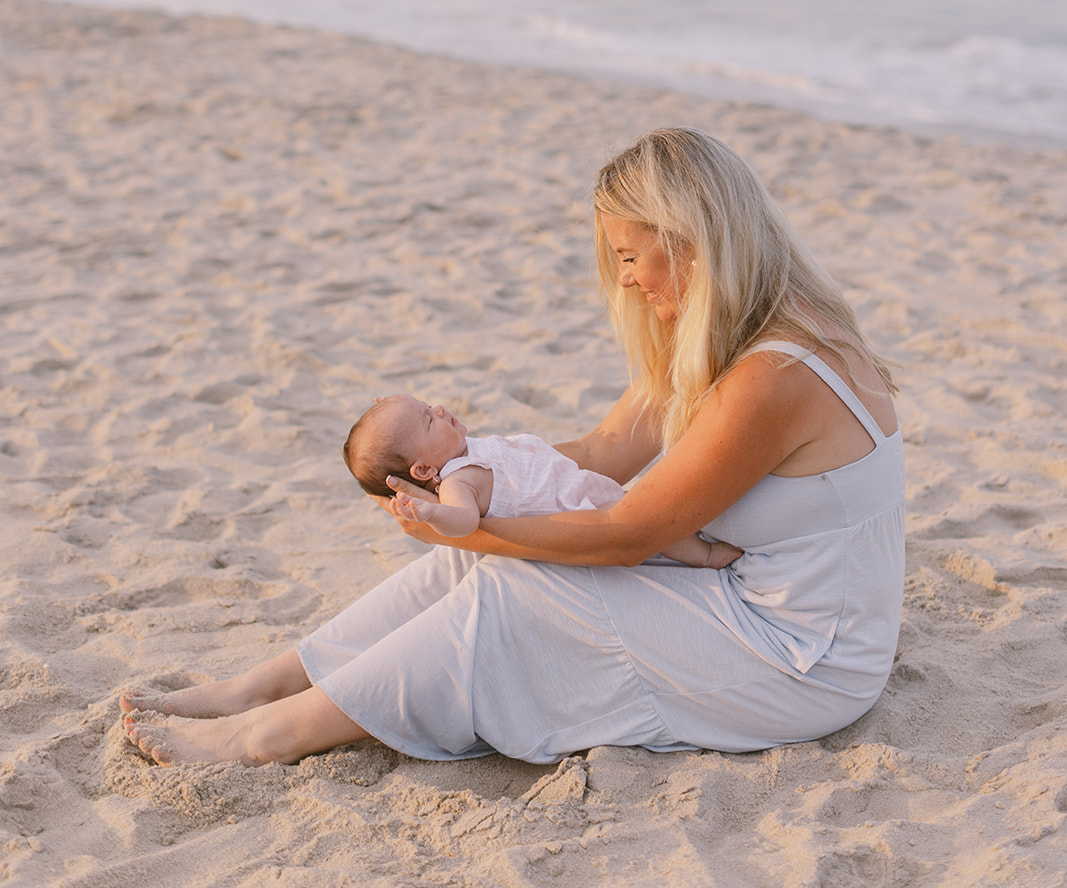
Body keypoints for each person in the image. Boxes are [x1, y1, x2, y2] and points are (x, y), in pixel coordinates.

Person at [122, 127, 905, 769]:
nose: (626, 280)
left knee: (513, 585)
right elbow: (599, 453)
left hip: (803, 657)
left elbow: (629, 533)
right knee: (485, 551)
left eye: (631, 255)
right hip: (746, 602)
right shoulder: (728, 335)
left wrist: (470, 527)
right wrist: (476, 482)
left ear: (692, 240)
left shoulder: (773, 374)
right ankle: (265, 689)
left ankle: (267, 736)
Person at [343, 391, 742, 565]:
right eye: (429, 419)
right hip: (572, 512)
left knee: (648, 505)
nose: (442, 408)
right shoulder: (457, 482)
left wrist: (398, 418)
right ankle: (705, 557)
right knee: (648, 519)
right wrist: (431, 514)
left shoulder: (467, 451)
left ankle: (700, 537)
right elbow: (463, 522)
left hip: (575, 484)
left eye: (429, 404)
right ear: (425, 471)